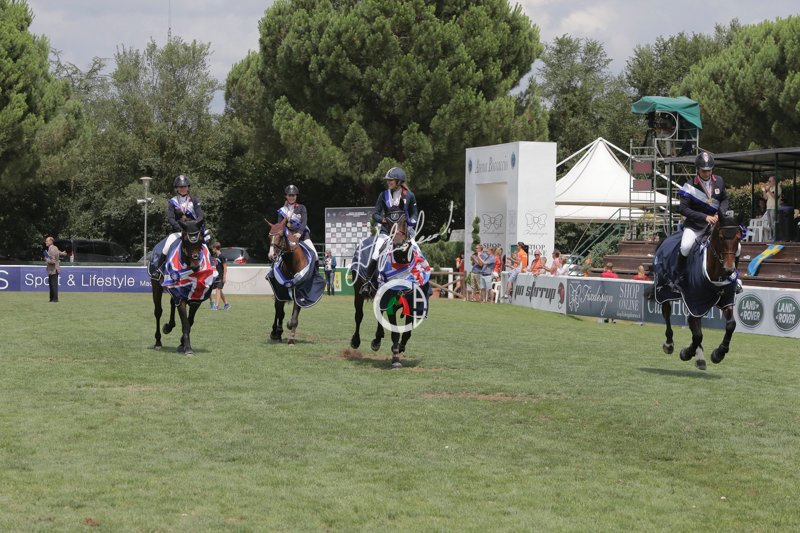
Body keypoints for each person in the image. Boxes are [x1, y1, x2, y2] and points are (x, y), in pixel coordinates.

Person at [360, 167, 419, 294]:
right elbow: (375, 214)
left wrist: (411, 222)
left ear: (399, 181)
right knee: (376, 253)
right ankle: (368, 282)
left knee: (417, 250)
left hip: (404, 232)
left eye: (390, 180)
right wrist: (382, 220)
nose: (388, 182)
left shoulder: (409, 195)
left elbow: (415, 213)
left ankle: (419, 280)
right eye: (387, 180)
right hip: (387, 232)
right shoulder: (383, 195)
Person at [677, 151, 732, 280]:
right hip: (695, 226)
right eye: (704, 171)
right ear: (697, 169)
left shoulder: (719, 181)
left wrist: (720, 213)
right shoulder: (689, 186)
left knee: (737, 247)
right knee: (685, 247)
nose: (707, 174)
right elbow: (683, 209)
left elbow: (725, 199)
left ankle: (733, 274)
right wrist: (704, 217)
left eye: (709, 170)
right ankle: (680, 276)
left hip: (716, 225)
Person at [161, 174, 209, 264]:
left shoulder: (194, 200)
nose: (183, 188)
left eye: (185, 186)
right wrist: (179, 227)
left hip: (194, 231)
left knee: (206, 247)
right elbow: (170, 218)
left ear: (188, 187)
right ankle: (160, 268)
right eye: (180, 187)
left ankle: (210, 265)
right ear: (177, 188)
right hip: (179, 231)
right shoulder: (172, 202)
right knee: (166, 248)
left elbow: (200, 215)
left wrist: (195, 225)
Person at [270, 184, 317, 268]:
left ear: (296, 196)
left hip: (303, 236)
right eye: (289, 195)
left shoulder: (302, 208)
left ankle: (315, 275)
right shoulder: (282, 210)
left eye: (293, 195)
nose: (291, 197)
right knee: (276, 253)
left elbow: (304, 222)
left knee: (315, 254)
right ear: (286, 196)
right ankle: (272, 273)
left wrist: (300, 233)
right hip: (288, 237)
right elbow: (279, 226)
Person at [44, 236, 66, 302]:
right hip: (51, 269)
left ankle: (55, 299)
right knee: (51, 285)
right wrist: (63, 253)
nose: (46, 242)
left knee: (53, 285)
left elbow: (53, 261)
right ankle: (52, 299)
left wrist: (46, 259)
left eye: (47, 241)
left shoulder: (52, 249)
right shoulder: (52, 248)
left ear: (51, 241)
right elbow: (58, 252)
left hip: (53, 269)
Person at [209, 242, 230, 311]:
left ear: (215, 248)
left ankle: (216, 306)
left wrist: (224, 276)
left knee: (218, 289)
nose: (212, 250)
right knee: (219, 290)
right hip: (217, 276)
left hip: (221, 276)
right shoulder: (216, 256)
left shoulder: (222, 256)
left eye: (213, 248)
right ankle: (226, 304)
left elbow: (225, 267)